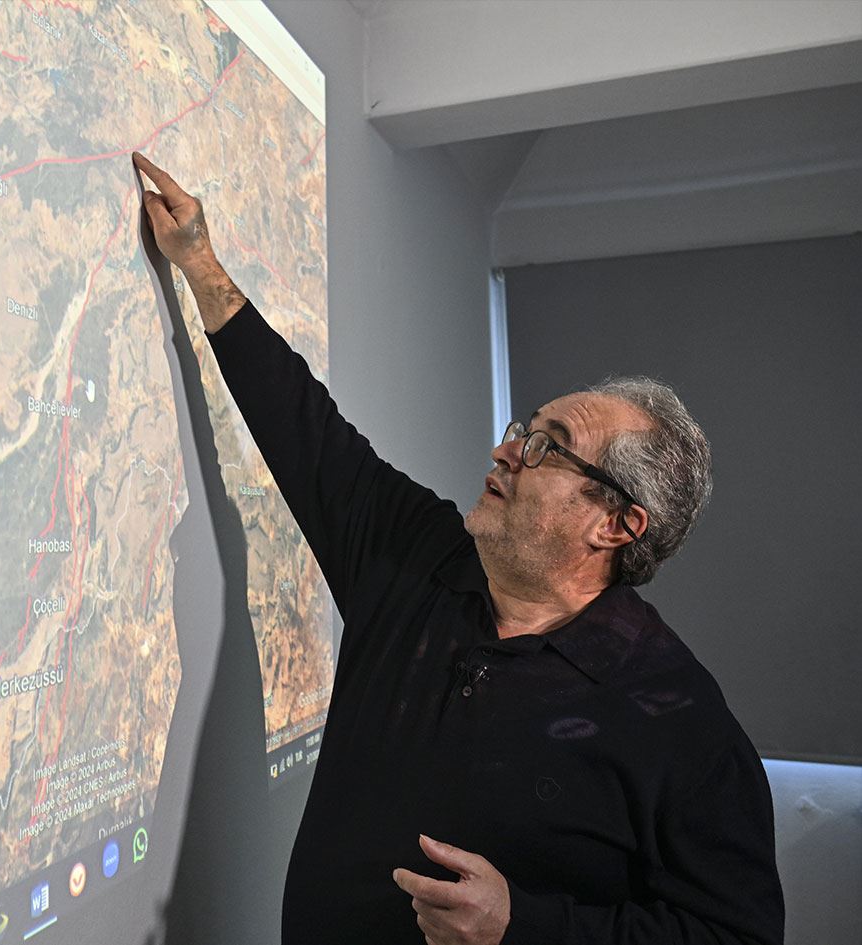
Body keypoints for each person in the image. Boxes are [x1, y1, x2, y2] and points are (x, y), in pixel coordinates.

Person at [131, 152, 784, 945]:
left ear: (615, 524)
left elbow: (735, 935)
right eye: (524, 431)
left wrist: (523, 927)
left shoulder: (675, 713)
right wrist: (199, 262)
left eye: (547, 447)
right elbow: (307, 429)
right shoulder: (415, 557)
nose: (506, 452)